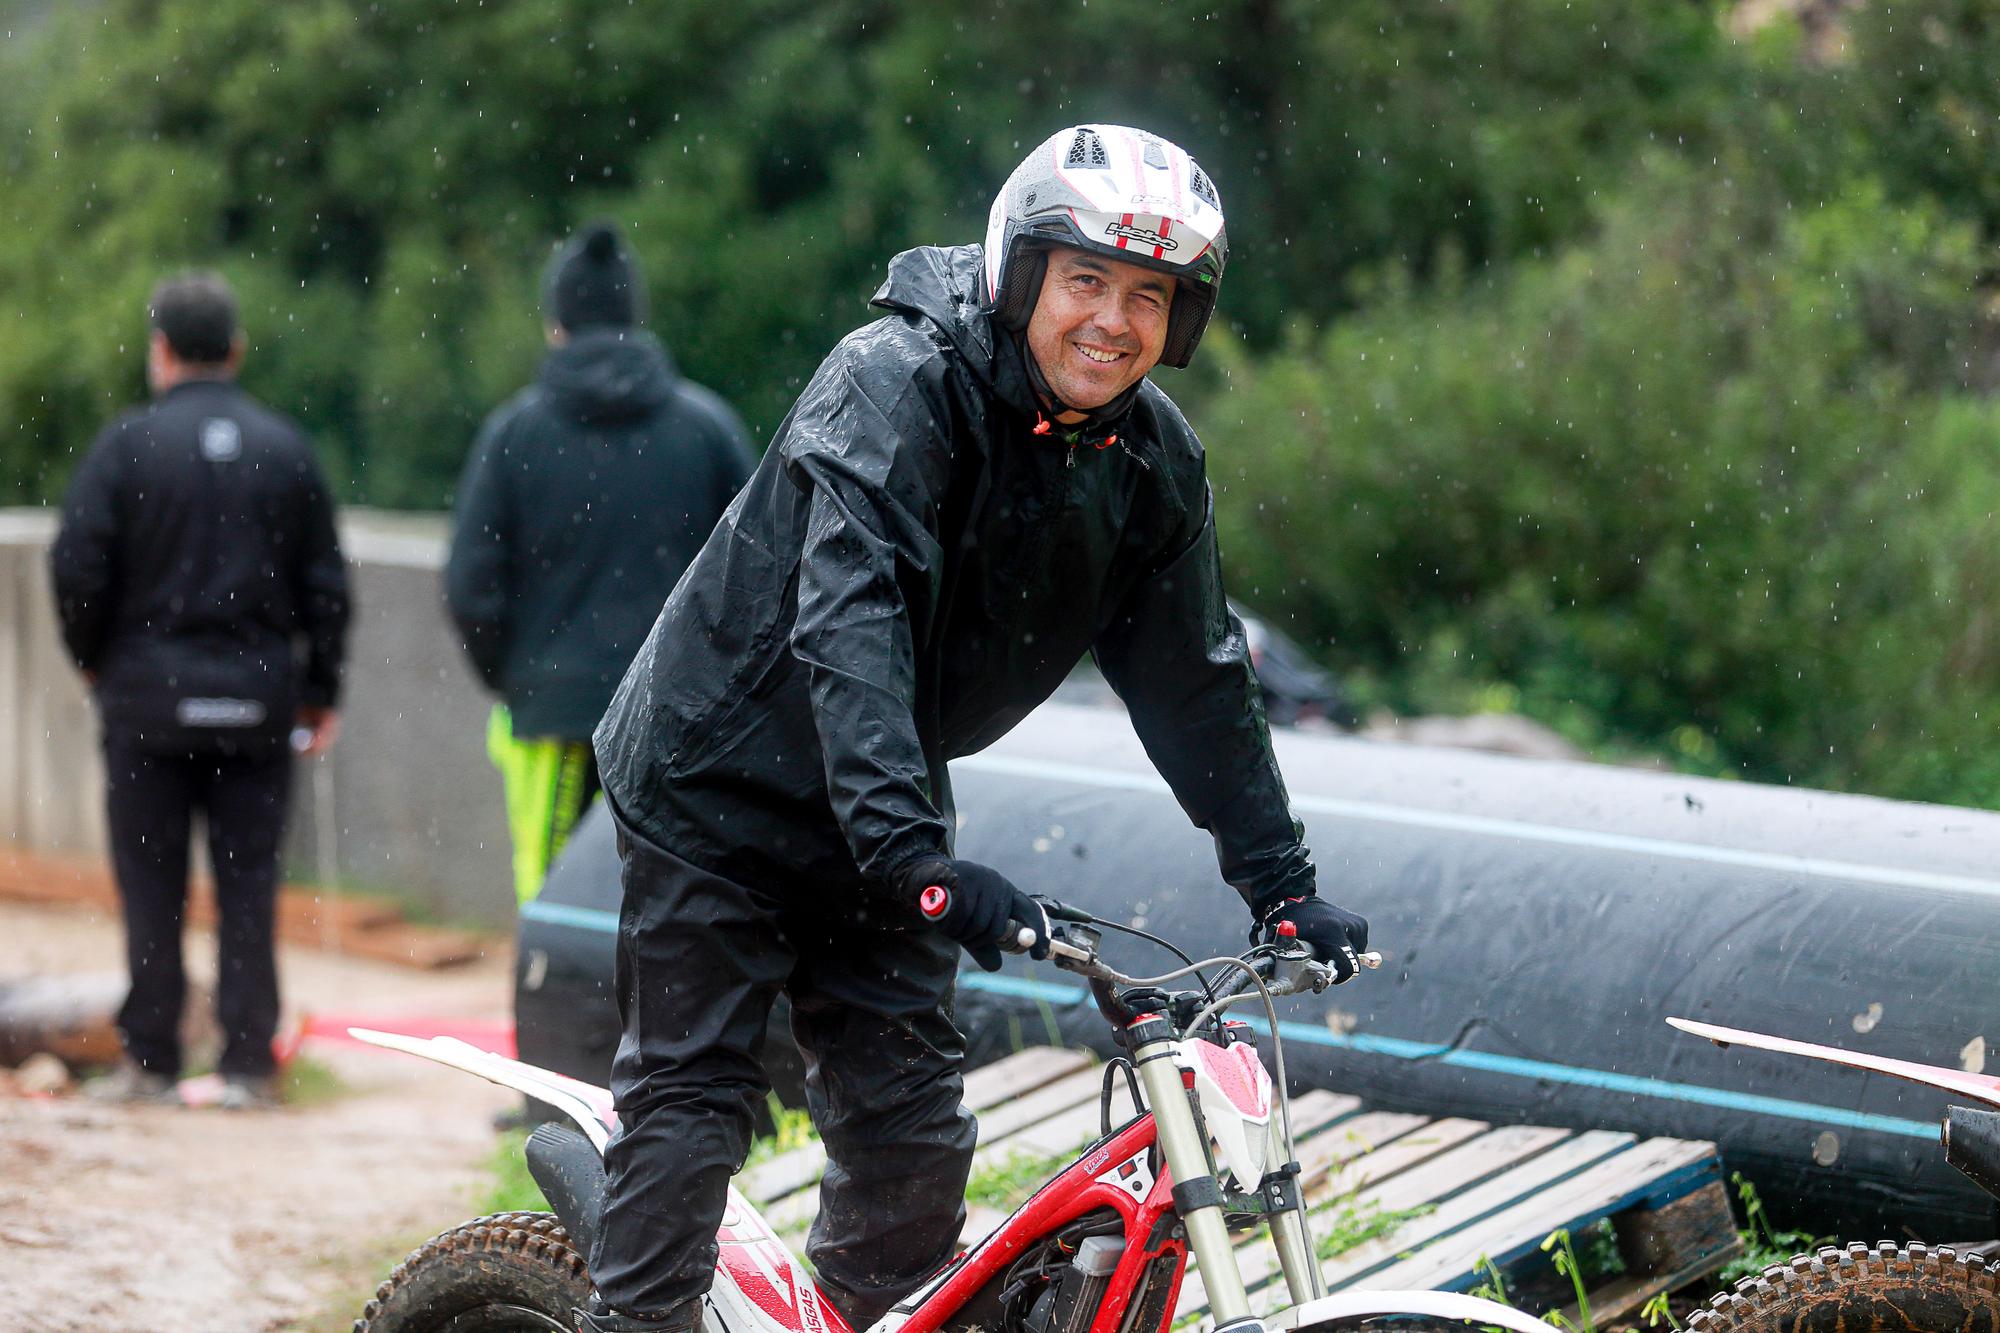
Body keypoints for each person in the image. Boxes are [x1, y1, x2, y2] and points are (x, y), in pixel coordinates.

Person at [579, 125, 1370, 1333]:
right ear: (1019, 276)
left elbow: (1197, 684)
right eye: (1085, 281)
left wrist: (1279, 883)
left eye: (1147, 298)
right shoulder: (893, 384)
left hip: (883, 806)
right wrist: (914, 860)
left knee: (909, 1130)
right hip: (717, 780)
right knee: (694, 1106)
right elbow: (849, 626)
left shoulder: (1150, 462)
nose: (1112, 321)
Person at [50, 271, 351, 1110]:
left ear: (160, 351)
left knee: (151, 884)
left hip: (146, 704)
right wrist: (318, 689)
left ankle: (150, 1058)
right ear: (236, 350)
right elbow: (326, 583)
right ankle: (250, 1060)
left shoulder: (125, 447)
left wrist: (94, 659)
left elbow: (77, 565)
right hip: (257, 707)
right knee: (248, 884)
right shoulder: (285, 448)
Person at [446, 220, 755, 907]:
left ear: (557, 323)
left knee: (557, 900)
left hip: (553, 716)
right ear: (633, 315)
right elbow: (760, 575)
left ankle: (561, 1011)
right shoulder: (707, 429)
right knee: (671, 908)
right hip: (678, 721)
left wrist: (523, 678)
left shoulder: (513, 435)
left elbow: (469, 583)